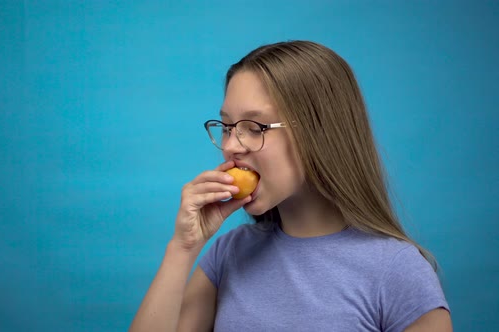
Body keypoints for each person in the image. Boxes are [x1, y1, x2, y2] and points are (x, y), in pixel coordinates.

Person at [130, 40, 452, 331]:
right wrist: (182, 248)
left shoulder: (398, 271)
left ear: (318, 132)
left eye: (253, 127)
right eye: (227, 126)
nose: (231, 146)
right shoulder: (228, 255)